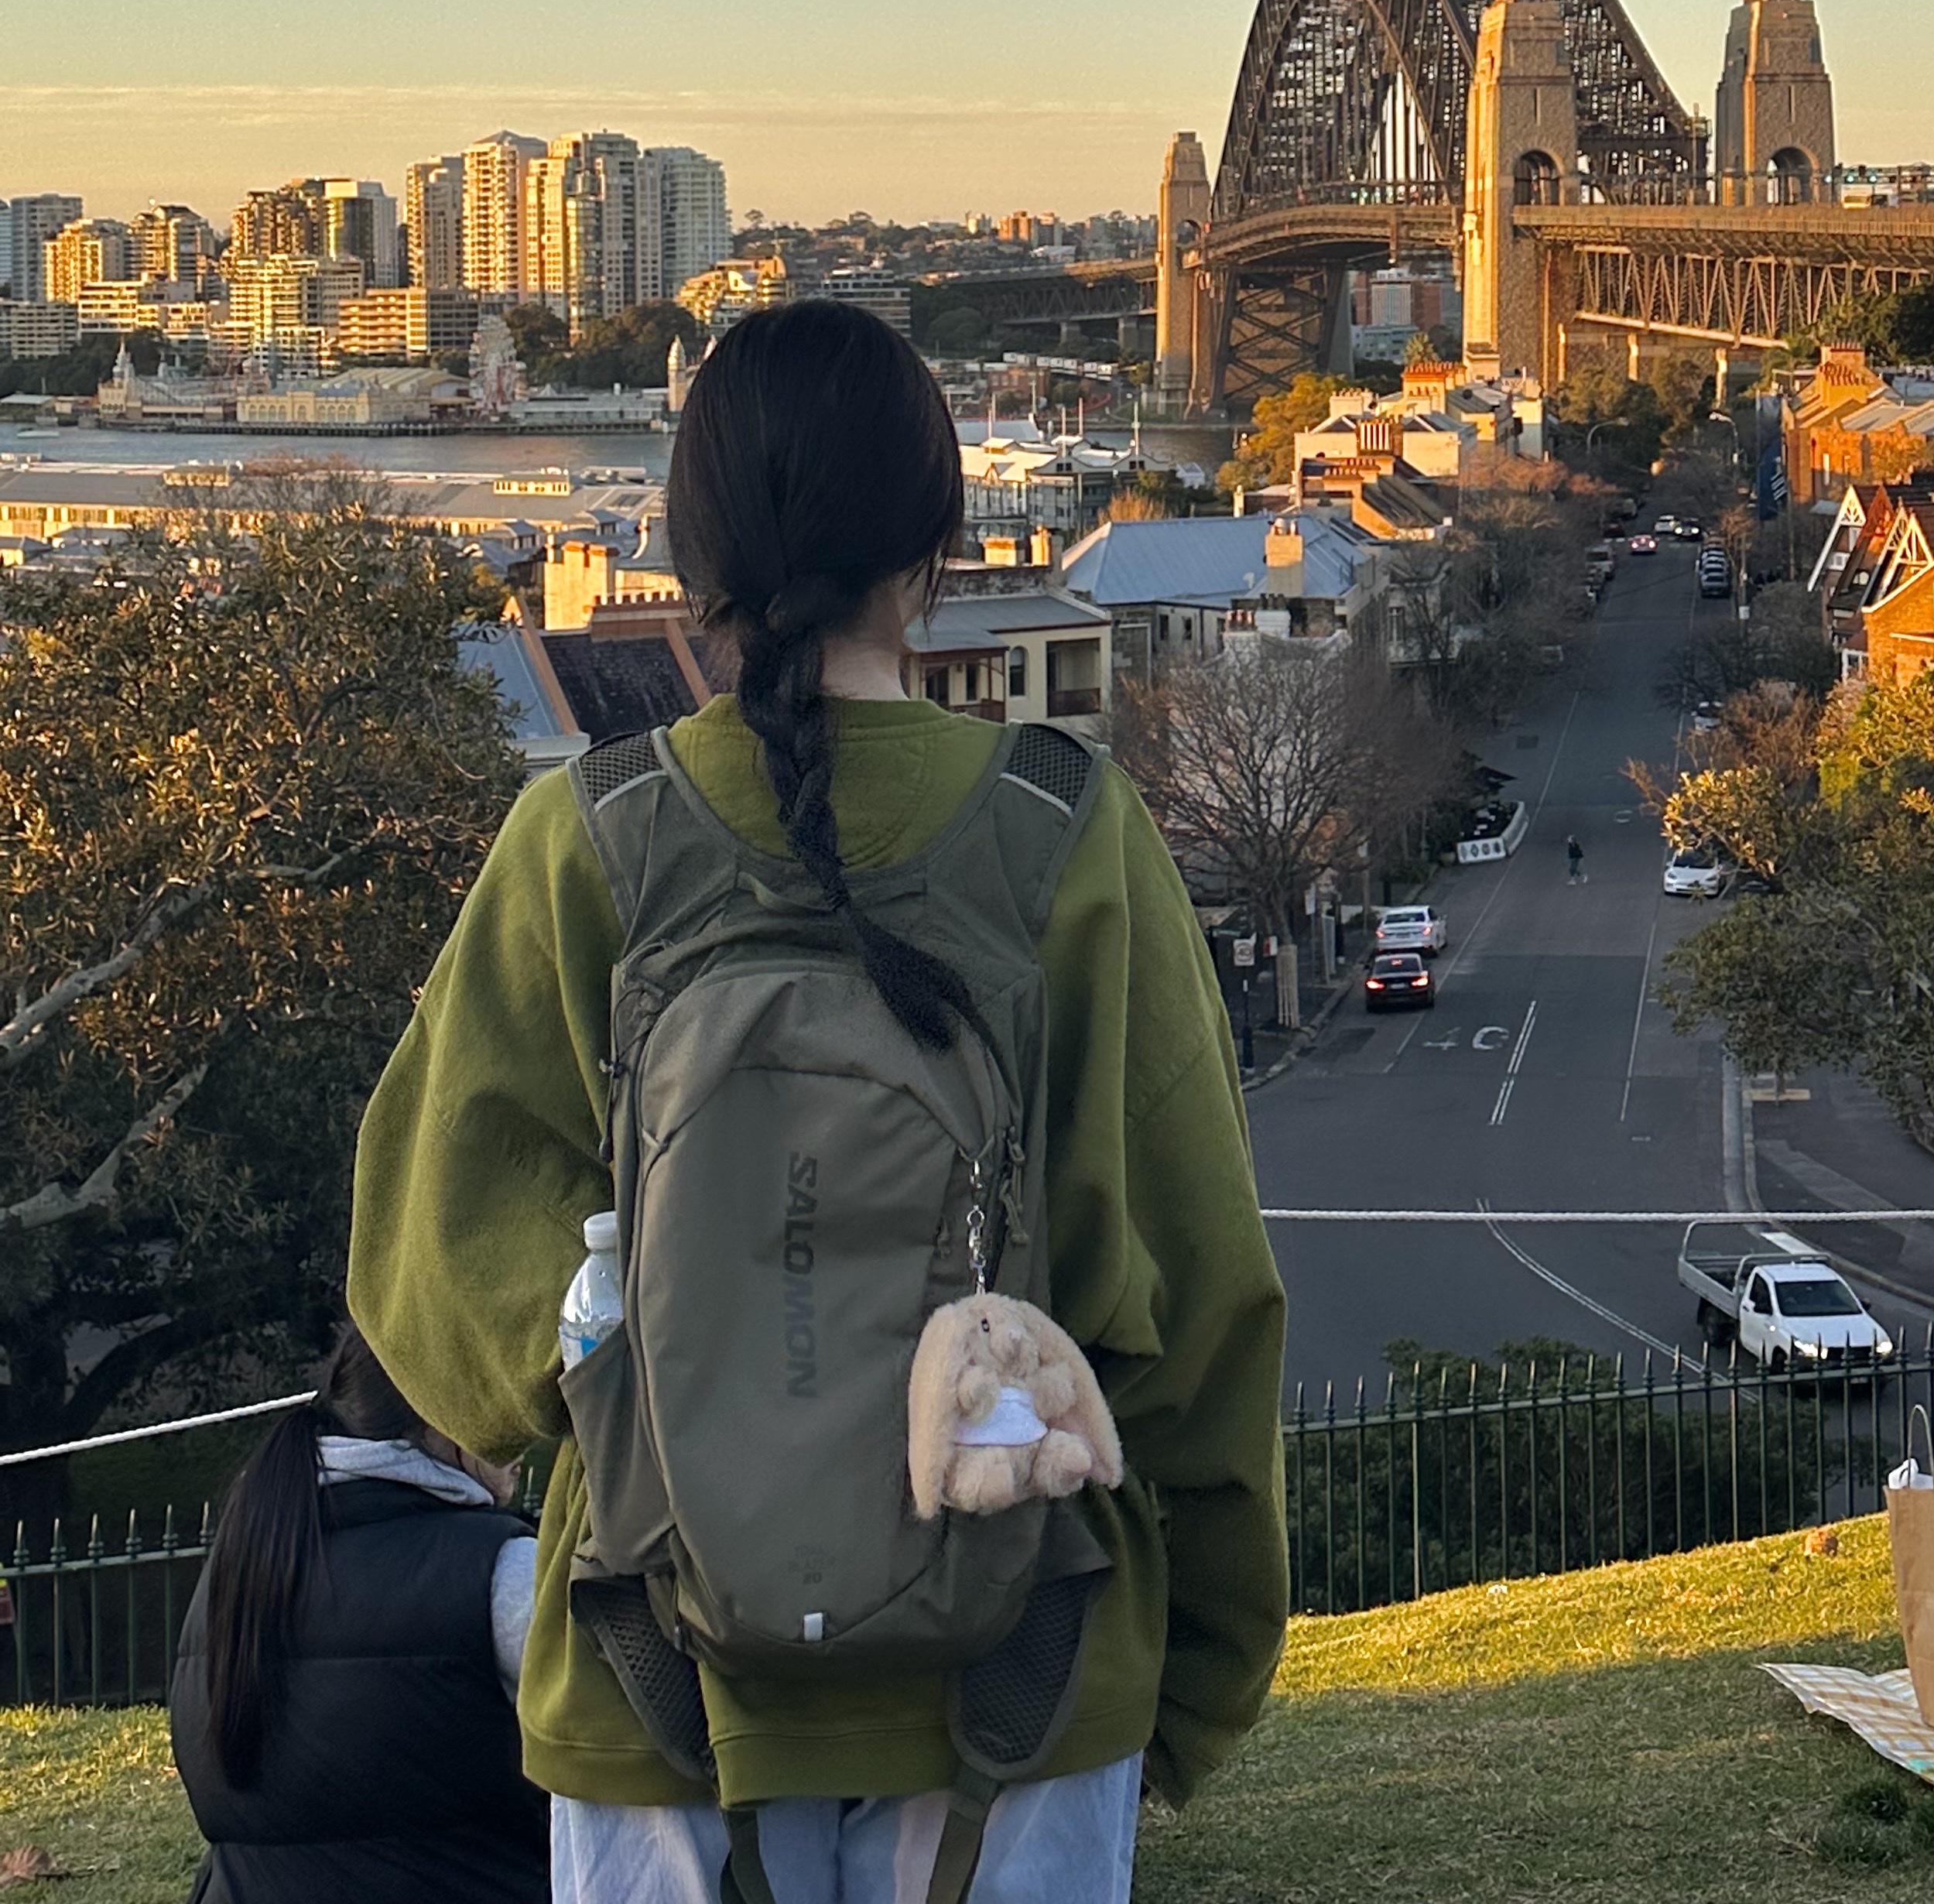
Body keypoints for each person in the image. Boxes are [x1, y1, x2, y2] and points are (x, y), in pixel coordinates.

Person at [348, 300, 1288, 1904]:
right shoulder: (1071, 835)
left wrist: (634, 1411)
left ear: (689, 548)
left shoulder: (583, 840)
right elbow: (1198, 1303)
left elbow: (426, 1272)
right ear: (937, 538)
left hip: (659, 1667)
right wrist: (1192, 1668)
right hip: (1030, 1657)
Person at [169, 1321, 548, 1903]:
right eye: (500, 1407)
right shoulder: (498, 1571)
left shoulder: (234, 1569)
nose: (523, 1437)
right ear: (444, 1420)